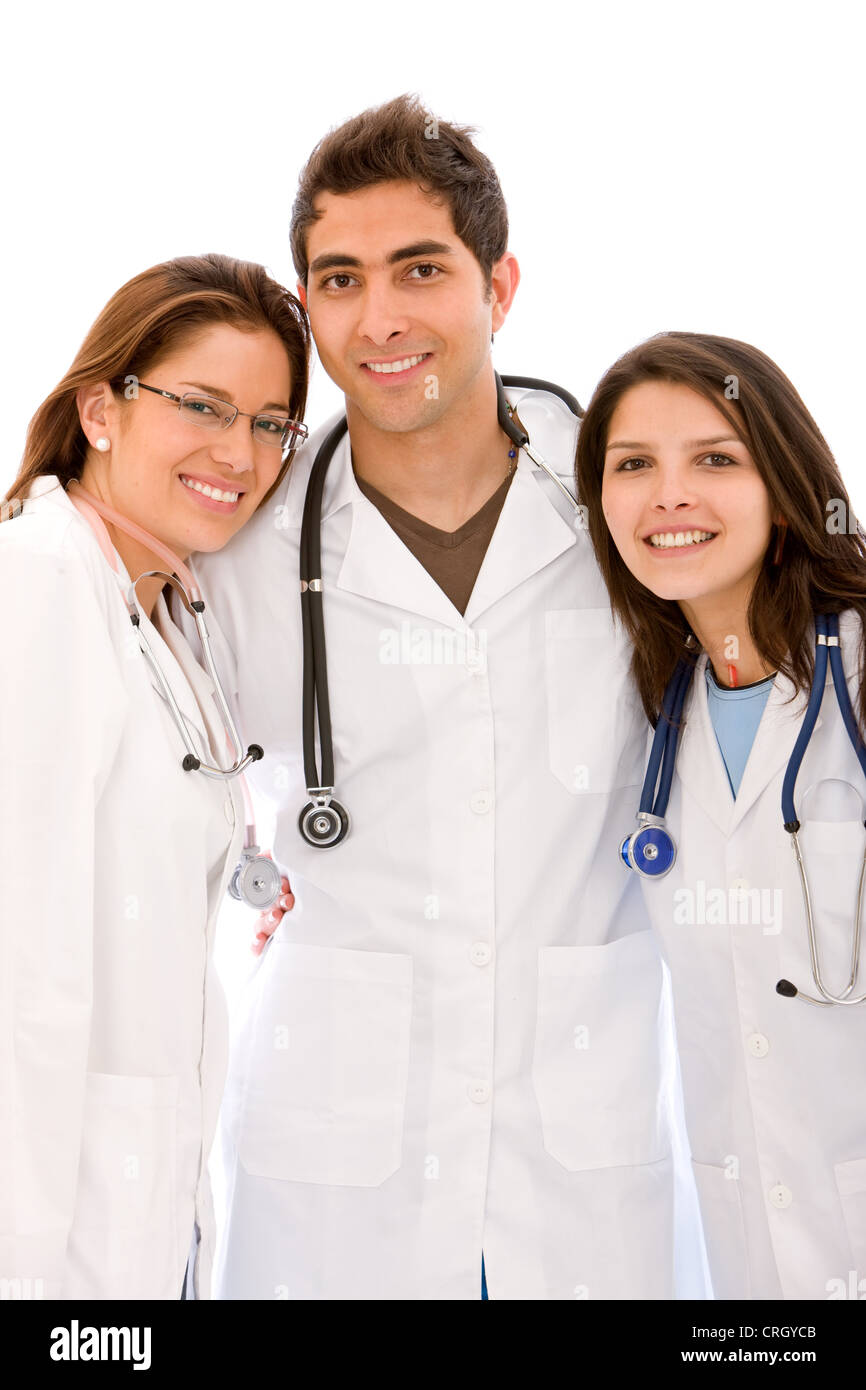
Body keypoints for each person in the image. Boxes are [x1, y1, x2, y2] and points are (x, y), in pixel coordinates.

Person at [182, 97, 706, 1300]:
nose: (380, 319)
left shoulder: (627, 510)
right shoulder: (241, 541)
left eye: (420, 269)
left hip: (578, 1158)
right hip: (334, 1169)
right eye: (339, 278)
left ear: (498, 284)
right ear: (306, 301)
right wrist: (252, 879)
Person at [0, 253, 308, 1299]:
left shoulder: (167, 604)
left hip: (143, 1218)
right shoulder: (36, 586)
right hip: (51, 1241)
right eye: (202, 406)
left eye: (272, 422)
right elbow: (19, 982)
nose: (241, 452)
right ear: (101, 409)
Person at [575, 330, 866, 1299]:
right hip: (754, 1263)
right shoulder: (663, 718)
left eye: (712, 459)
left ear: (783, 492)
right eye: (632, 465)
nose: (667, 496)